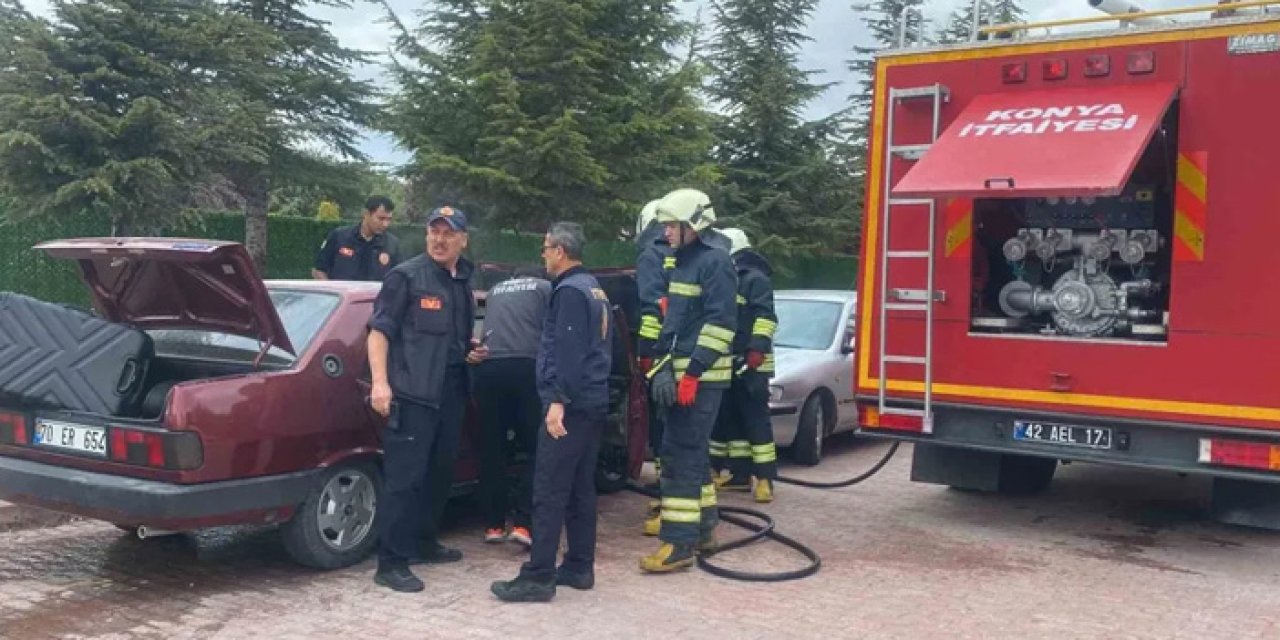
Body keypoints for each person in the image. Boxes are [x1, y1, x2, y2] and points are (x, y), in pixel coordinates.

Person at [366, 205, 487, 593]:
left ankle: (423, 542)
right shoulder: (405, 277)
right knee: (405, 479)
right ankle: (391, 561)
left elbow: (447, 339)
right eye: (433, 231)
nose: (439, 239)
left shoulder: (462, 281)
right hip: (413, 395)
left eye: (448, 233)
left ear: (463, 239)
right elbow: (379, 332)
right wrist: (380, 383)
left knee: (439, 474)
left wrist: (469, 350)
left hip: (450, 393)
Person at [491, 222, 614, 602]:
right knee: (579, 488)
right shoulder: (593, 288)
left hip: (570, 406)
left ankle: (538, 575)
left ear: (560, 251)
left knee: (548, 489)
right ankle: (578, 566)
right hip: (592, 402)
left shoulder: (569, 293)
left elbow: (568, 352)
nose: (542, 254)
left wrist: (558, 401)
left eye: (546, 248)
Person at [640, 188, 737, 574]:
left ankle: (677, 545)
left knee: (680, 456)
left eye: (671, 225)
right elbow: (673, 324)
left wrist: (693, 372)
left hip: (702, 379)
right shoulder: (683, 262)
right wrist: (661, 366)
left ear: (693, 224)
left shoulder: (715, 263)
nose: (665, 232)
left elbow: (721, 323)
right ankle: (704, 531)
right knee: (691, 453)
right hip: (683, 374)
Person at [474, 265, 551, 548]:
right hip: (527, 367)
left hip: (490, 369)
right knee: (536, 447)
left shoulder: (495, 291)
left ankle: (493, 525)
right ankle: (523, 523)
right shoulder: (545, 289)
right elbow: (552, 330)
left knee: (493, 450)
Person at [709, 228, 779, 503]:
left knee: (755, 421)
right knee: (731, 420)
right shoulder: (726, 278)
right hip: (728, 360)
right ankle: (739, 476)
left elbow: (766, 318)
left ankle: (765, 479)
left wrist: (756, 349)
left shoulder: (755, 279)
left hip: (753, 365)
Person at [634, 199, 675, 534]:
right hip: (693, 357)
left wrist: (646, 353)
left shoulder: (652, 256)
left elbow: (652, 309)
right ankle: (688, 511)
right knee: (688, 437)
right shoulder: (696, 256)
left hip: (665, 358)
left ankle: (670, 506)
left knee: (667, 431)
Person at [313, 196, 401, 281]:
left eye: (388, 219)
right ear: (366, 214)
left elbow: (398, 279)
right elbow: (318, 270)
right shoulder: (339, 236)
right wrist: (332, 291)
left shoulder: (392, 244)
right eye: (381, 218)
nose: (385, 224)